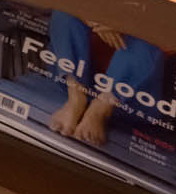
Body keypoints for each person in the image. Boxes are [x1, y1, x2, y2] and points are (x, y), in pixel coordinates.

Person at [44, 12, 166, 149]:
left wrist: (126, 24)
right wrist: (95, 16)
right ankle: (76, 99)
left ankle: (99, 111)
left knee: (150, 41)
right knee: (64, 13)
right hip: (75, 77)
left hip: (130, 96)